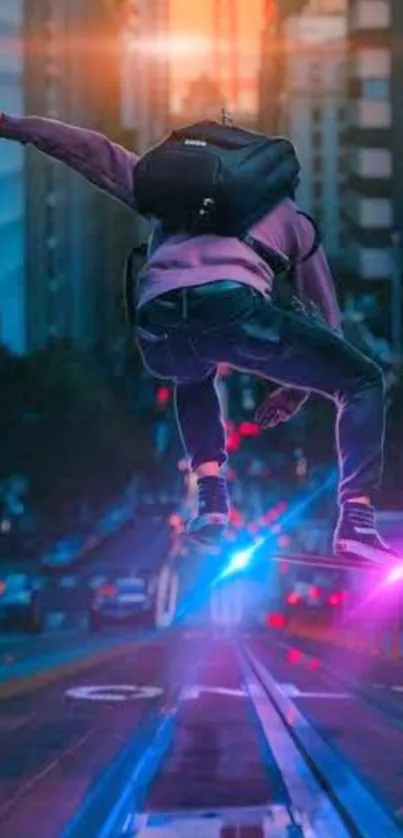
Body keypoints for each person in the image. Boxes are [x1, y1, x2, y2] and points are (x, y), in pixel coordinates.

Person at [0, 111, 393, 565]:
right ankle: (358, 524)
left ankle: (211, 504)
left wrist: (12, 125)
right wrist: (295, 388)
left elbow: (88, 147)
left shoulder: (172, 195)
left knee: (192, 374)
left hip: (157, 326)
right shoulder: (292, 218)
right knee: (361, 381)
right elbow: (328, 327)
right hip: (231, 311)